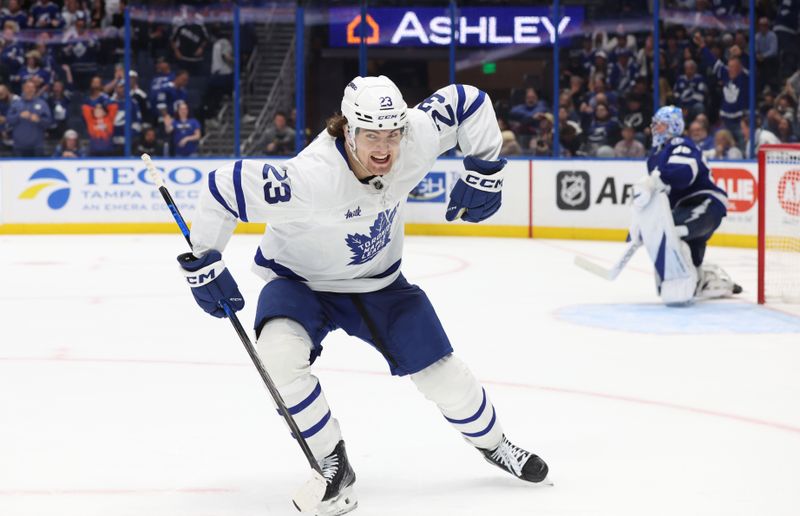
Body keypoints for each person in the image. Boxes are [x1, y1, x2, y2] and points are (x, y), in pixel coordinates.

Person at [175, 76, 550, 515]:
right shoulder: (310, 179)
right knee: (278, 357)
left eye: (392, 134)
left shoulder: (416, 136)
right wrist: (204, 261)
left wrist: (485, 169)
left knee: (444, 375)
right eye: (372, 135)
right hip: (301, 285)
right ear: (347, 130)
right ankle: (332, 460)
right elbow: (222, 186)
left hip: (378, 284)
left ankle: (496, 444)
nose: (384, 148)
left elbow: (469, 101)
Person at [632, 106, 739, 305]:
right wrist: (642, 225)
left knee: (672, 232)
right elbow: (658, 198)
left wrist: (655, 180)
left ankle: (696, 278)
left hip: (705, 202)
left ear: (672, 127)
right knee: (671, 235)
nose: (655, 128)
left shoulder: (680, 144)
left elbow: (683, 174)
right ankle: (703, 279)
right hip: (683, 209)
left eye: (660, 124)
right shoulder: (655, 156)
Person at [7, 79, 51, 156]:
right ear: (23, 89)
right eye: (28, 87)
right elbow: (9, 120)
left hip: (37, 146)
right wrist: (19, 116)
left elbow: (48, 122)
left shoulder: (42, 104)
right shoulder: (16, 104)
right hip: (19, 146)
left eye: (32, 87)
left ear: (35, 89)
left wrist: (39, 120)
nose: (30, 89)